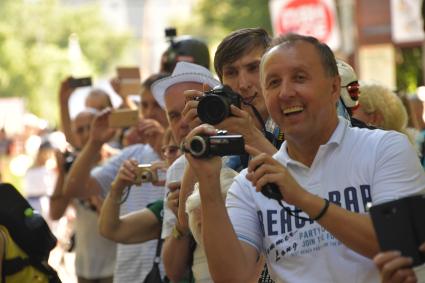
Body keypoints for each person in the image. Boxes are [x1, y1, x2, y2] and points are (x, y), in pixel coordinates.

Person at [182, 33, 425, 282]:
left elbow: (403, 246)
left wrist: (300, 197)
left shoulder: (384, 148)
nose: (286, 92)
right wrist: (208, 184)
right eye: (274, 83)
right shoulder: (249, 183)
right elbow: (233, 278)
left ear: (333, 87)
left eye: (300, 78)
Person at [63, 73, 169, 283]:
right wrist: (94, 142)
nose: (149, 113)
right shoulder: (133, 153)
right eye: (145, 105)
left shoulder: (191, 153)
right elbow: (76, 189)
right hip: (128, 274)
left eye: (157, 105)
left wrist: (163, 143)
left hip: (169, 274)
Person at [150, 61, 220, 282]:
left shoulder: (243, 149)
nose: (183, 122)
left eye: (192, 108)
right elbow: (172, 271)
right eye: (174, 115)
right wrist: (181, 223)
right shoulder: (176, 170)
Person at [50, 109, 117, 283]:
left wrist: (91, 196)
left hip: (114, 265)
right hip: (84, 266)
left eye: (90, 127)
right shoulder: (73, 170)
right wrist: (62, 172)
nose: (87, 134)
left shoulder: (115, 161)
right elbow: (55, 213)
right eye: (80, 130)